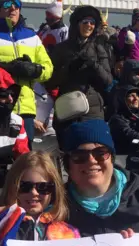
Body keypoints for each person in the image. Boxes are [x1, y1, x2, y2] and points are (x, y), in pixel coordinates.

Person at [0, 0, 53, 145]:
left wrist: (34, 70)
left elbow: (48, 68)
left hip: (25, 109)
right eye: (7, 4)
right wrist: (1, 68)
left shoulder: (32, 37)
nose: (13, 8)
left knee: (24, 160)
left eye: (16, 4)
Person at [45, 5, 112, 149]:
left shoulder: (99, 48)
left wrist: (94, 65)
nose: (89, 25)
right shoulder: (61, 49)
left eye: (92, 22)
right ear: (77, 24)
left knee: (94, 150)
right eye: (85, 22)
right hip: (68, 107)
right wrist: (69, 69)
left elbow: (108, 80)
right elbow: (49, 82)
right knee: (69, 153)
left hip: (93, 109)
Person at [0, 151, 79, 240]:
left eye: (43, 187)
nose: (34, 192)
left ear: (54, 190)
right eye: (25, 186)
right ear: (12, 187)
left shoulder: (66, 233)